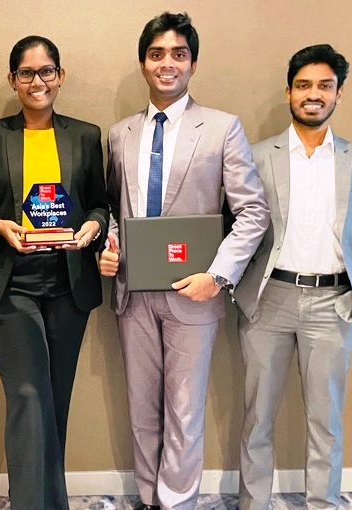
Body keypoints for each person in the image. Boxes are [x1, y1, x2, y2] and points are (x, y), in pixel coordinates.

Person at [98, 12, 269, 510]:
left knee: (184, 411)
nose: (167, 64)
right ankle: (149, 497)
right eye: (156, 54)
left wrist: (218, 276)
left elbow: (252, 212)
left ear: (193, 63)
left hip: (194, 293)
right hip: (133, 292)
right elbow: (113, 207)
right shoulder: (120, 133)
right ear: (143, 63)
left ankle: (177, 502)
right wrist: (110, 247)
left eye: (178, 54)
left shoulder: (221, 128)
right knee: (141, 407)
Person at [234, 44, 352, 510]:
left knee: (326, 423)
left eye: (324, 85)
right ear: (289, 92)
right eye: (303, 85)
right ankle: (253, 505)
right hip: (268, 301)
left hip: (333, 304)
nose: (313, 94)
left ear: (339, 93)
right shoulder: (255, 156)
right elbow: (234, 230)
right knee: (257, 419)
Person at [0, 35, 108, 510]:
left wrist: (94, 226)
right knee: (28, 396)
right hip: (10, 285)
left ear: (60, 76)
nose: (37, 81)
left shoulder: (85, 135)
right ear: (12, 80)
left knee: (54, 399)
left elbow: (100, 204)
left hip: (68, 284)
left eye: (46, 71)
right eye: (26, 73)